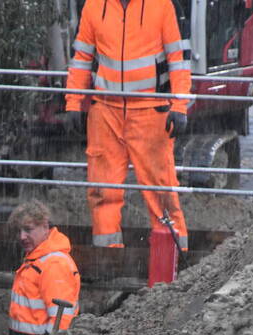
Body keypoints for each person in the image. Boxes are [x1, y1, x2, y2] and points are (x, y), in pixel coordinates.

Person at [64, 0, 192, 287]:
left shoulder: (161, 6)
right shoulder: (94, 6)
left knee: (161, 191)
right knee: (102, 189)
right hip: (105, 111)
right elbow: (82, 57)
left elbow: (178, 60)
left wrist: (180, 105)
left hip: (150, 111)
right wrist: (73, 102)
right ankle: (107, 263)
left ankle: (174, 262)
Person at [5, 200, 81, 335]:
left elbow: (62, 320)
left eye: (28, 230)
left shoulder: (53, 264)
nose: (22, 237)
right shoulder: (37, 258)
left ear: (45, 227)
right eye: (19, 231)